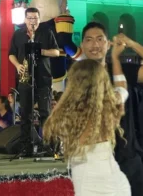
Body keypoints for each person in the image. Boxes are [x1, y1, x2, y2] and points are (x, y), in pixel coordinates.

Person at [80, 22, 143, 196]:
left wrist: (132, 44)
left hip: (128, 159)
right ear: (82, 45)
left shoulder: (124, 71)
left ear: (108, 44)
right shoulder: (78, 77)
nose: (95, 45)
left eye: (100, 39)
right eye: (89, 40)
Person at [43, 58, 130, 195]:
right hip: (117, 181)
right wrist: (116, 56)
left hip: (88, 183)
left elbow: (51, 127)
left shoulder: (66, 114)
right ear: (103, 81)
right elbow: (122, 89)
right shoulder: (110, 105)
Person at [8, 7, 61, 155]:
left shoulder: (47, 32)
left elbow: (57, 52)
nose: (33, 21)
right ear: (25, 20)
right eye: (30, 18)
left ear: (39, 19)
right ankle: (26, 146)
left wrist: (41, 51)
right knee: (25, 115)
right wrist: (18, 66)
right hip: (25, 79)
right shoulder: (18, 34)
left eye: (35, 18)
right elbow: (11, 54)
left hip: (43, 78)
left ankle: (48, 146)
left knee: (45, 113)